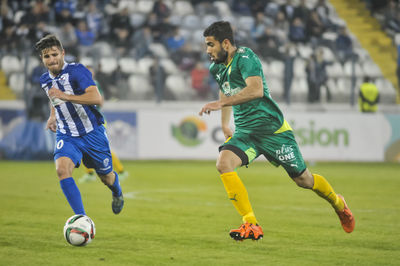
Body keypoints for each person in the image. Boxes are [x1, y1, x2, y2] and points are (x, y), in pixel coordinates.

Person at [199, 21, 355, 241]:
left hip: (274, 132)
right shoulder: (216, 68)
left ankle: (339, 204)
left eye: (210, 44)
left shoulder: (246, 58)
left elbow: (256, 89)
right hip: (246, 134)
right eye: (206, 45)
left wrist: (217, 104)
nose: (207, 50)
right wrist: (225, 122)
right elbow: (225, 92)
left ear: (225, 43)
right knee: (223, 164)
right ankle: (251, 224)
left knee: (304, 180)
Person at [35, 34, 124, 216]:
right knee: (62, 170)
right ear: (42, 59)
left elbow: (96, 98)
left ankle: (117, 192)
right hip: (67, 134)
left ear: (63, 53)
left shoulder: (77, 71)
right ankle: (81, 218)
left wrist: (65, 95)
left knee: (106, 177)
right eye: (47, 56)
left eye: (54, 54)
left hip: (92, 132)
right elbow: (55, 99)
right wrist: (53, 116)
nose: (51, 60)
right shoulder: (45, 79)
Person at [79, 66, 129, 183]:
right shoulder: (80, 84)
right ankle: (90, 173)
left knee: (101, 148)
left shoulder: (93, 84)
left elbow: (99, 102)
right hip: (85, 121)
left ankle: (121, 171)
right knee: (82, 147)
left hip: (96, 121)